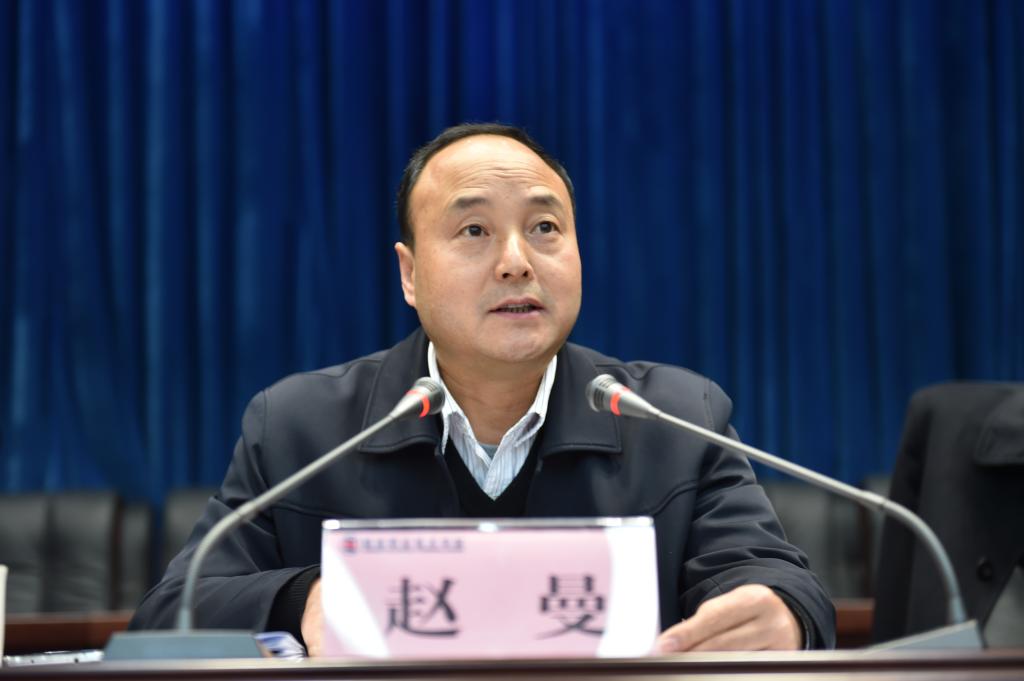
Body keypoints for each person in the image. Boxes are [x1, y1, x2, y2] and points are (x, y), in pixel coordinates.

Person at [130, 123, 836, 654]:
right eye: (474, 230)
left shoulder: (676, 419)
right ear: (410, 274)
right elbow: (171, 612)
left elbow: (783, 584)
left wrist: (782, 614)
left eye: (545, 227)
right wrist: (307, 600)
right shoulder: (299, 427)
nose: (515, 262)